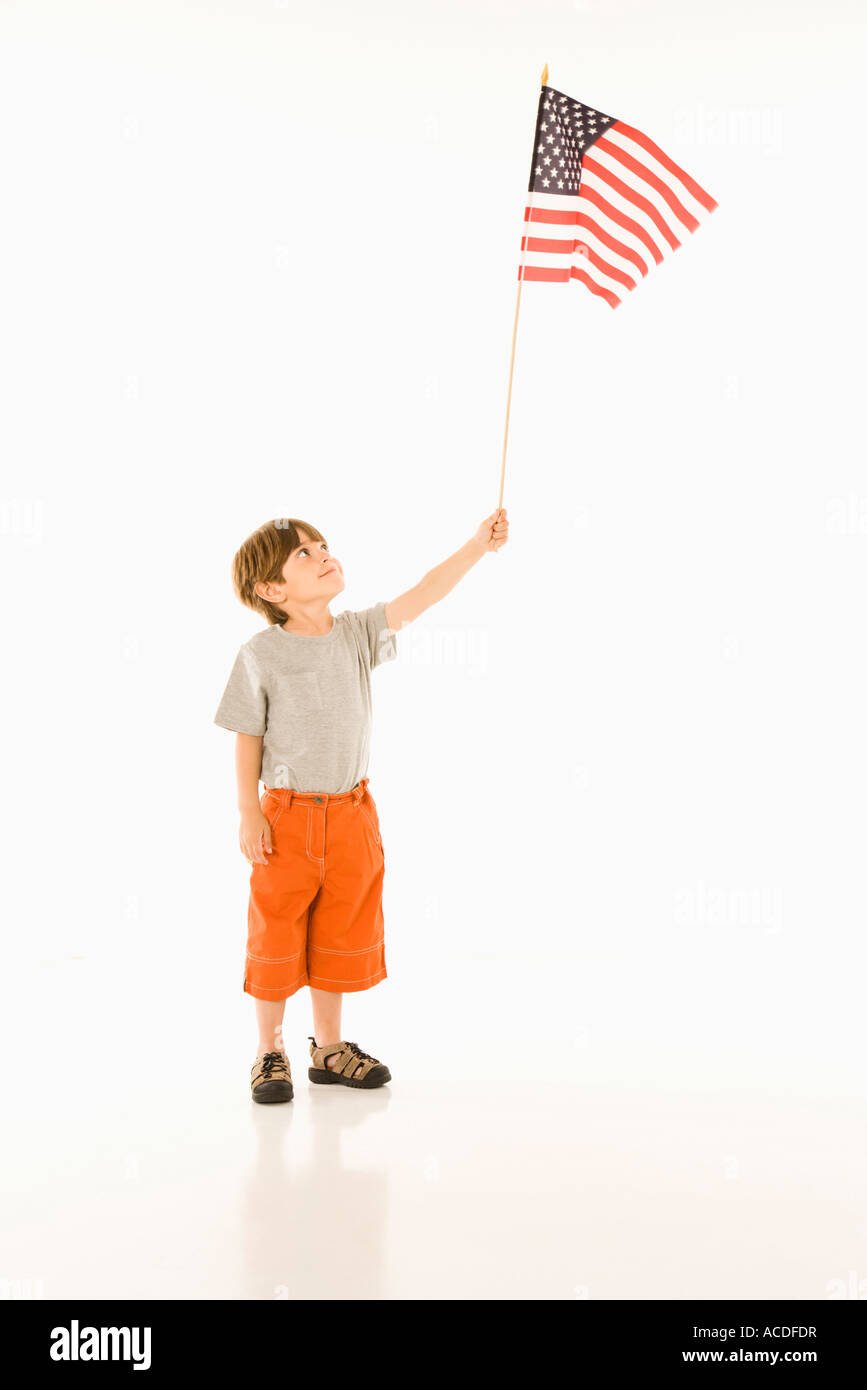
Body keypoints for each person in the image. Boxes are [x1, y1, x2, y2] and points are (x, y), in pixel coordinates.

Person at [214, 508, 509, 1102]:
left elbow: (424, 593)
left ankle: (327, 1047)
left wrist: (477, 546)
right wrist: (249, 812)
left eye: (322, 544)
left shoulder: (354, 635)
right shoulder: (261, 654)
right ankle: (269, 1049)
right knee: (275, 932)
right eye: (304, 553)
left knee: (338, 927)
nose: (323, 553)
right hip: (286, 818)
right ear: (272, 590)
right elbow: (248, 735)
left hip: (352, 816)